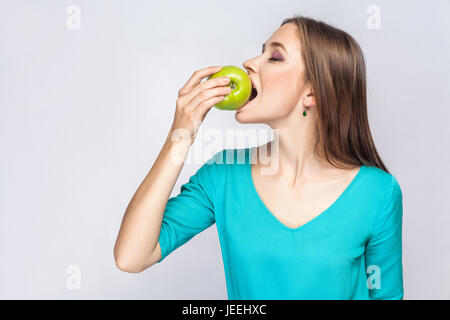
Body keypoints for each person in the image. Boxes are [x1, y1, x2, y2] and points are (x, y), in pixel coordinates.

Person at [114, 15, 404, 300]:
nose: (249, 63)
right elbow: (131, 256)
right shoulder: (224, 174)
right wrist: (180, 135)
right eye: (260, 52)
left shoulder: (378, 193)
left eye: (274, 57)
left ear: (312, 93)